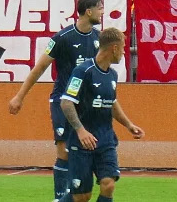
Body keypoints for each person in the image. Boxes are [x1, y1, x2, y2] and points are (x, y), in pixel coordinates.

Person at [9, 0, 104, 202]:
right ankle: (60, 197)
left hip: (86, 105)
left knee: (83, 152)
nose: (102, 12)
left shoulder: (99, 38)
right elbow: (40, 67)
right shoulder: (62, 38)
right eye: (100, 8)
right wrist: (19, 96)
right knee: (64, 151)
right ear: (89, 11)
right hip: (62, 100)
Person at [60, 27, 145, 202]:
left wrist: (128, 125)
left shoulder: (112, 75)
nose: (123, 52)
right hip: (82, 143)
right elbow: (66, 102)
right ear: (114, 48)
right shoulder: (83, 71)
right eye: (122, 48)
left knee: (109, 184)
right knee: (82, 197)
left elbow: (112, 103)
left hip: (106, 141)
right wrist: (80, 130)